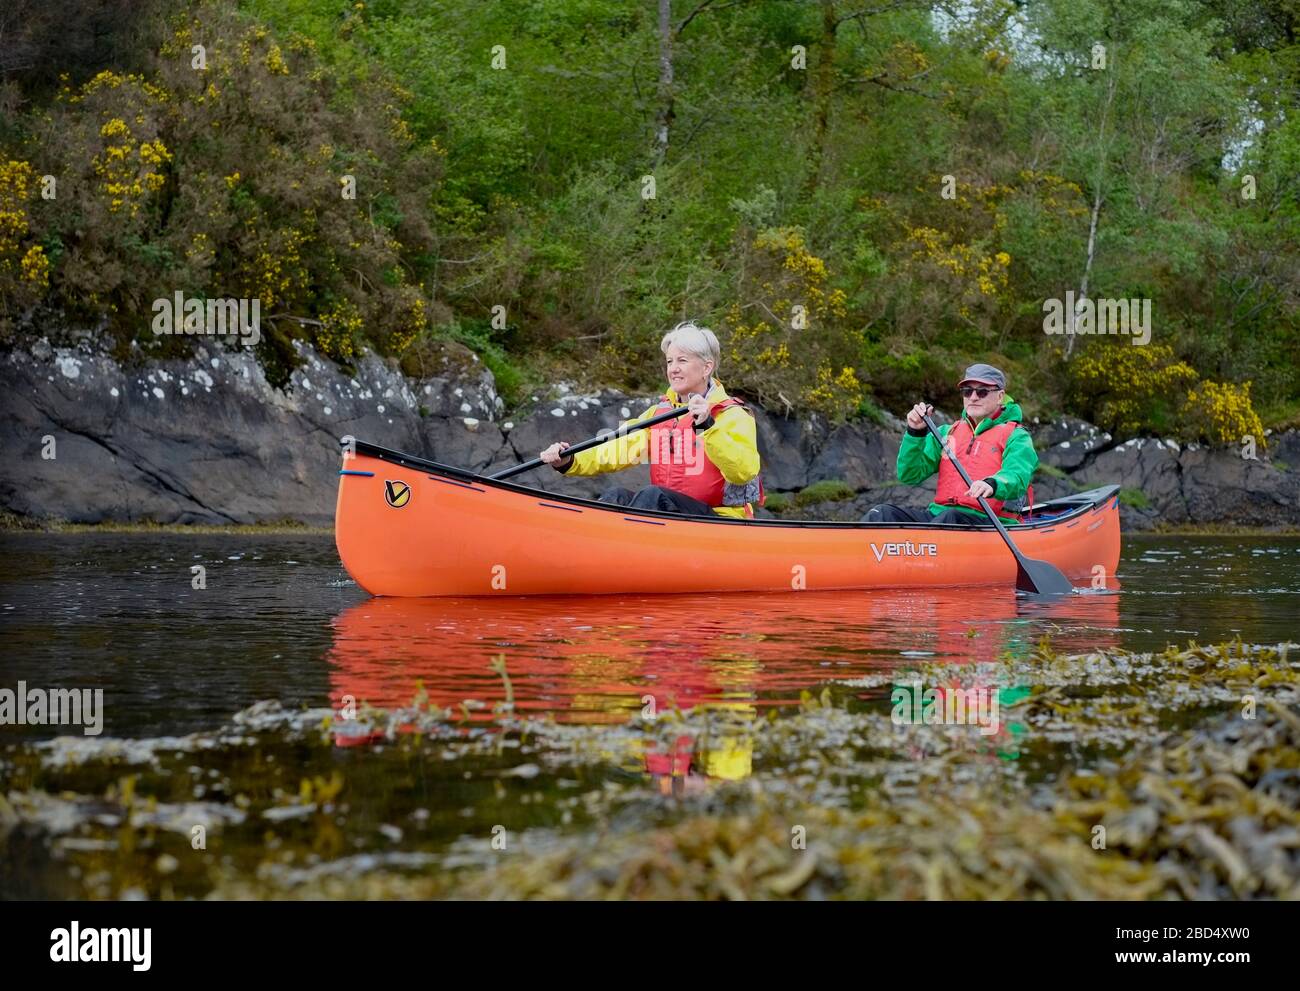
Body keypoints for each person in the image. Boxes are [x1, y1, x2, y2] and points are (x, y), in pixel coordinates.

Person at [539, 322, 762, 518]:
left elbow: (742, 472)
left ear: (707, 367)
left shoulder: (732, 415)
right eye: (669, 361)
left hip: (718, 520)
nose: (673, 369)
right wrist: (568, 460)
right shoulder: (658, 414)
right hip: (669, 515)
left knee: (653, 495)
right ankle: (595, 553)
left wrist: (707, 426)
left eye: (682, 361)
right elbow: (614, 448)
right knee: (615, 496)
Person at [862, 363, 1037, 526]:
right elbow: (909, 474)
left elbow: (1017, 475)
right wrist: (915, 432)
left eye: (982, 392)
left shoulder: (1017, 436)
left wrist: (992, 484)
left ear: (1000, 396)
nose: (973, 397)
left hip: (990, 522)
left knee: (950, 517)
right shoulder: (947, 433)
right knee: (881, 513)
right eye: (967, 391)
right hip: (941, 516)